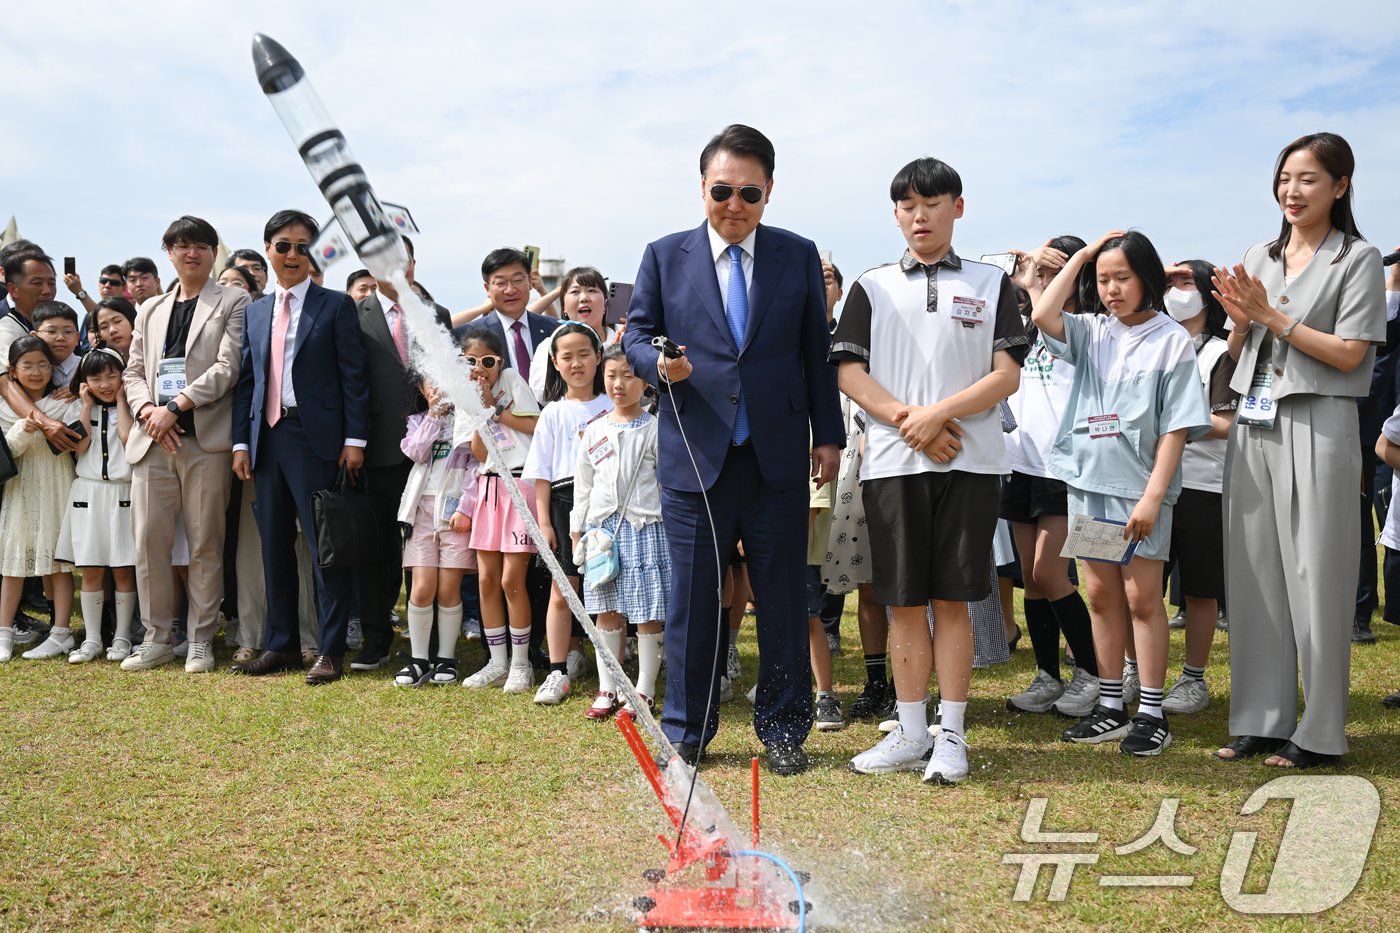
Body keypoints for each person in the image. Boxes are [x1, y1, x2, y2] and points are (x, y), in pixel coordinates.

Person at [624, 124, 843, 776]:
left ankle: (783, 729)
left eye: (750, 191)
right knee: (693, 602)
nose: (735, 203)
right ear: (703, 188)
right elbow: (636, 335)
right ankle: (687, 732)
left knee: (783, 599)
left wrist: (827, 434)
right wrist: (659, 367)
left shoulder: (797, 255)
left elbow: (816, 354)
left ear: (769, 191)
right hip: (695, 458)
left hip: (777, 457)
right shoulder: (665, 256)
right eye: (723, 190)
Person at [832, 157, 1027, 784]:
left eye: (933, 203)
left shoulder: (994, 284)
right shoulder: (871, 284)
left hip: (970, 461)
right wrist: (908, 420)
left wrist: (937, 416)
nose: (921, 216)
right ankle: (910, 730)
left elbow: (1006, 374)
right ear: (895, 214)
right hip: (892, 464)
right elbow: (849, 372)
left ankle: (952, 735)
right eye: (908, 206)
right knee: (903, 601)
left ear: (958, 207)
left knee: (952, 600)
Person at [1212, 132, 1387, 767]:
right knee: (1255, 570)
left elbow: (1350, 353)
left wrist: (1274, 317)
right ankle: (1262, 716)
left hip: (1321, 422)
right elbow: (1241, 352)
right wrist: (1238, 322)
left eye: (1308, 178)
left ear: (1340, 186)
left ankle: (1320, 730)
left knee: (1318, 574)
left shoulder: (1358, 258)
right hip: (1255, 424)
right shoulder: (1258, 254)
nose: (1292, 190)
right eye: (1285, 177)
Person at [1033, 230, 1211, 757]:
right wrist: (1084, 257)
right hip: (1088, 485)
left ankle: (1151, 712)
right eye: (1104, 280)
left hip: (1138, 495)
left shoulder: (1170, 338)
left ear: (1147, 279)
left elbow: (1177, 427)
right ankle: (1111, 704)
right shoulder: (1090, 330)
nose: (1112, 290)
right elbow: (1044, 314)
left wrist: (1154, 497)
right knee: (1102, 596)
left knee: (1142, 598)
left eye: (1123, 278)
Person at [231, 209, 369, 685]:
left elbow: (354, 377)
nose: (293, 254)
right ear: (268, 249)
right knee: (273, 547)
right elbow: (248, 382)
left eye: (302, 245)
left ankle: (329, 650)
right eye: (283, 245)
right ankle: (281, 643)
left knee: (323, 548)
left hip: (319, 443)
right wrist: (240, 443)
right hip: (267, 440)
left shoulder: (334, 305)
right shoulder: (254, 311)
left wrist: (354, 441)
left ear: (314, 253)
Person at [122, 216, 246, 674]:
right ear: (168, 252)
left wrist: (174, 406)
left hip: (204, 440)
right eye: (181, 245)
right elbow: (133, 372)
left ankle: (200, 640)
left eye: (200, 245)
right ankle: (155, 638)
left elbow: (227, 366)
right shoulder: (151, 308)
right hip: (153, 441)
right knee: (148, 542)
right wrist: (148, 413)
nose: (191, 252)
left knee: (205, 544)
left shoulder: (233, 299)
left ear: (214, 253)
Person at [1001, 236, 1102, 718]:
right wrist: (1025, 278)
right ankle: (1048, 675)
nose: (1039, 279)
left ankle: (1093, 671)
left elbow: (1046, 311)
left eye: (1050, 271)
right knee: (1032, 578)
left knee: (1048, 571)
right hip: (1022, 461)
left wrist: (1046, 279)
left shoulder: (1080, 327)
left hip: (1062, 464)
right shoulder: (1026, 324)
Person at [351, 232, 454, 672]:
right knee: (377, 551)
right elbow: (350, 383)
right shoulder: (354, 313)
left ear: (413, 263)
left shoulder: (437, 314)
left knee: (426, 549)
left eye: (401, 258)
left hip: (431, 453)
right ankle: (376, 640)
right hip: (375, 449)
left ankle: (426, 646)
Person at [571, 345, 669, 717]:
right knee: (606, 610)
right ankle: (608, 687)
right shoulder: (594, 430)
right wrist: (577, 531)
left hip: (646, 527)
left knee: (646, 611)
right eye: (611, 375)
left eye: (627, 375)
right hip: (603, 532)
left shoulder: (657, 428)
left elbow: (665, 483)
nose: (618, 383)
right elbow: (584, 484)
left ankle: (643, 688)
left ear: (644, 381)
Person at [1159, 260, 1238, 714]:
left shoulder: (1224, 350)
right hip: (1148, 481)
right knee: (1142, 585)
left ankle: (1193, 679)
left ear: (1208, 292)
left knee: (1200, 589)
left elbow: (1226, 422)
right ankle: (1133, 668)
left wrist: (1164, 426)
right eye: (1169, 282)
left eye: (1185, 281)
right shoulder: (1157, 342)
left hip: (1202, 485)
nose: (1175, 290)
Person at [523, 322, 610, 706]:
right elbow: (540, 475)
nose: (577, 363)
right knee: (564, 588)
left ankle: (614, 675)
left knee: (609, 589)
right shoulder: (553, 414)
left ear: (599, 357)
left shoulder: (615, 405)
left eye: (584, 354)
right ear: (555, 363)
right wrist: (544, 521)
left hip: (609, 503)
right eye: (567, 357)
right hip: (563, 501)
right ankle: (557, 670)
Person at [459, 325, 541, 691]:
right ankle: (496, 662)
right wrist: (479, 409)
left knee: (512, 580)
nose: (480, 368)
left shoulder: (512, 380)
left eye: (487, 361)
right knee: (487, 579)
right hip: (488, 487)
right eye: (472, 361)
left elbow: (538, 426)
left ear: (500, 361)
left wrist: (496, 408)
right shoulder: (465, 394)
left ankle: (521, 665)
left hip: (519, 486)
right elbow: (478, 453)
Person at [54, 348, 138, 662]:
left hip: (123, 493)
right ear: (85, 381)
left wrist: (121, 402)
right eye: (96, 377)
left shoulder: (130, 407)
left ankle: (122, 638)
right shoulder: (77, 408)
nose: (105, 383)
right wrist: (86, 405)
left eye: (111, 376)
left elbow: (130, 441)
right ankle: (91, 639)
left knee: (122, 569)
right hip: (87, 494)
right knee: (90, 569)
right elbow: (81, 445)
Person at [393, 379, 479, 687]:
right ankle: (419, 660)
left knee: (447, 589)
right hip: (422, 514)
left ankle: (446, 659)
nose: (441, 388)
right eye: (432, 384)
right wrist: (434, 416)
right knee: (421, 588)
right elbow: (415, 451)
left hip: (455, 515)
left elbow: (476, 466)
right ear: (421, 388)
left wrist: (466, 508)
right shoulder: (417, 421)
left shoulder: (467, 421)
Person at [0, 338, 78, 662]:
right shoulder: (6, 407)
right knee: (13, 563)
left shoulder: (65, 402)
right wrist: (25, 427)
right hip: (21, 490)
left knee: (59, 563)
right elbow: (9, 451)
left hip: (59, 487)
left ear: (52, 369)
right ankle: (4, 633)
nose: (35, 371)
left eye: (42, 364)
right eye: (27, 365)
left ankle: (62, 631)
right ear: (13, 372)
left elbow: (76, 443)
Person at [454, 248, 558, 399]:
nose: (510, 290)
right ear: (487, 289)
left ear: (530, 282)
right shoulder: (467, 336)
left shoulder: (556, 330)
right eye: (501, 283)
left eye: (517, 281)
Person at [30, 301, 82, 392]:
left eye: (68, 331)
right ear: (35, 336)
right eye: (51, 331)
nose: (60, 338)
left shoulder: (88, 369)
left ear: (77, 338)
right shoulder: (26, 370)